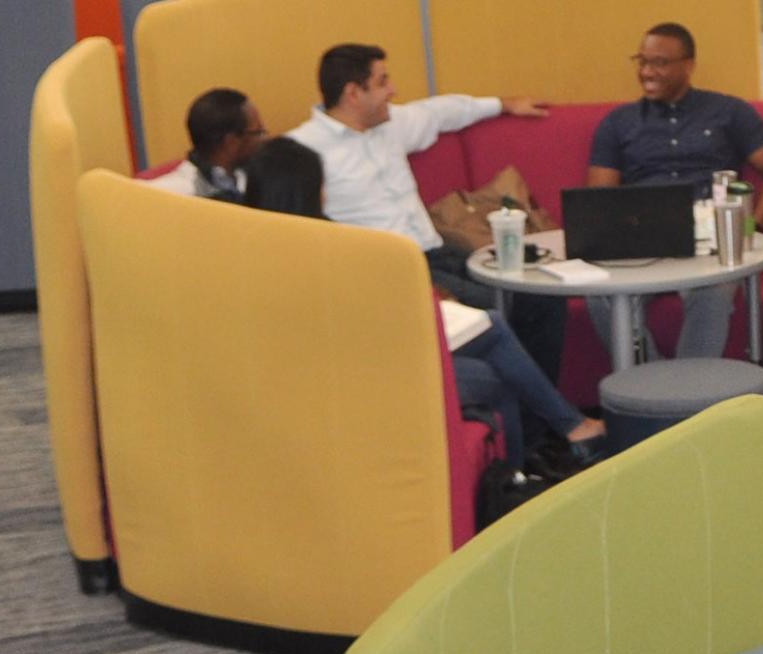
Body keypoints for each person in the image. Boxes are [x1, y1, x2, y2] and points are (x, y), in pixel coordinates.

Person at [241, 138, 604, 466]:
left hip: (355, 354)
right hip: (357, 371)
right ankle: (545, 450)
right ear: (309, 190)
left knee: (492, 333)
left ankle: (538, 456)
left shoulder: (249, 242)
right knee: (491, 358)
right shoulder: (322, 247)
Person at [285, 43, 568, 384]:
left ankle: (537, 427)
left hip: (441, 253)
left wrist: (505, 104)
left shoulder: (390, 124)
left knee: (544, 299)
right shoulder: (302, 151)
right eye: (383, 81)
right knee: (494, 309)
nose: (393, 91)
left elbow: (442, 111)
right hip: (395, 272)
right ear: (353, 93)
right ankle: (542, 423)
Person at [585, 22, 763, 360]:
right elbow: (599, 199)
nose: (647, 71)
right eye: (642, 61)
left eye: (660, 63)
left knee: (711, 291)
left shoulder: (728, 111)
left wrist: (750, 228)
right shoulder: (618, 123)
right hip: (642, 238)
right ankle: (651, 386)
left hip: (709, 237)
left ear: (689, 65)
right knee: (600, 295)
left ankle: (690, 390)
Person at [144, 88, 267, 200]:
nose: (264, 139)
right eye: (258, 132)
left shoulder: (256, 181)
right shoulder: (166, 196)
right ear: (231, 142)